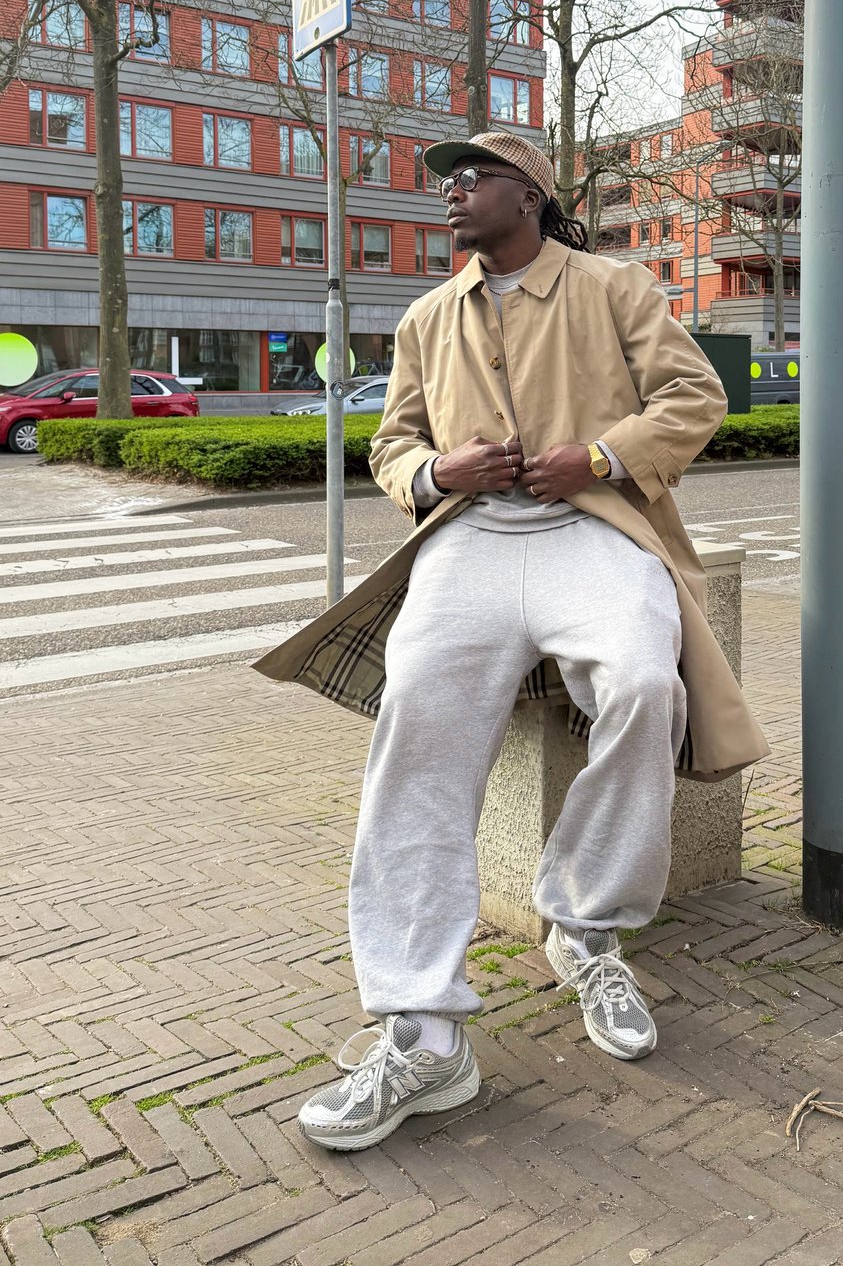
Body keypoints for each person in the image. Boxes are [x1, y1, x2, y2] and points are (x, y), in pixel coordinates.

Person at [254, 132, 768, 1153]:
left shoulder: (613, 286)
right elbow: (393, 443)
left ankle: (585, 924)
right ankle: (422, 1031)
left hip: (598, 532)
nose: (451, 193)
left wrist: (600, 455)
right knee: (415, 733)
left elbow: (693, 396)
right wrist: (439, 474)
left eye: (472, 178)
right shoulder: (425, 316)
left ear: (529, 194)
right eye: (447, 181)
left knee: (644, 685)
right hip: (469, 545)